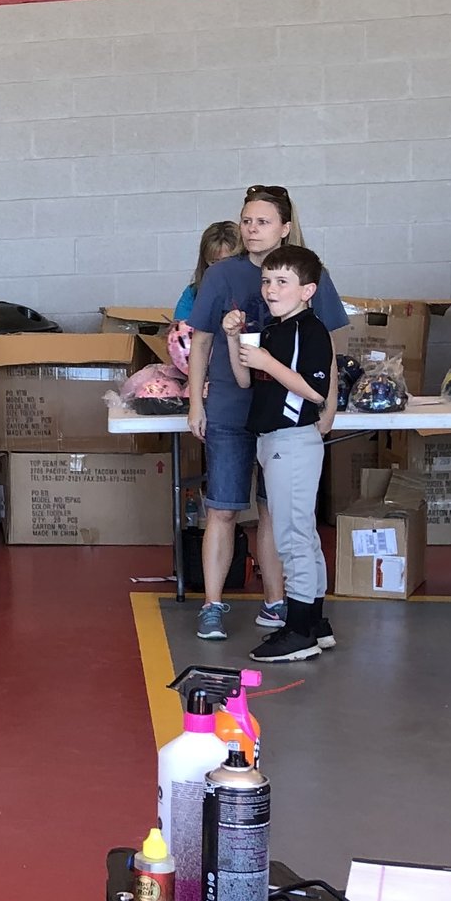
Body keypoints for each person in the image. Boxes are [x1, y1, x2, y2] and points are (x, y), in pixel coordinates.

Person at [184, 184, 349, 643]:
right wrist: (197, 401)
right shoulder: (222, 276)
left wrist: (328, 404)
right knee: (222, 508)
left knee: (277, 513)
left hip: (285, 416)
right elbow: (201, 341)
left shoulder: (310, 272)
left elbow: (329, 347)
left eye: (262, 221)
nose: (252, 230)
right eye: (246, 220)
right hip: (232, 410)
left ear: (285, 228)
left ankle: (278, 603)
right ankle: (213, 605)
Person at [221, 245, 337, 664]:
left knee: (292, 538)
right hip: (272, 441)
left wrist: (268, 361)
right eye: (267, 281)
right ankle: (315, 623)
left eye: (282, 282)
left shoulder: (311, 330)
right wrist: (236, 340)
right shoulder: (272, 330)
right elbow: (244, 381)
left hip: (294, 440)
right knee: (300, 534)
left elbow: (315, 391)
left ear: (307, 290)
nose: (271, 289)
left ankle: (299, 629)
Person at [174, 220, 243, 324]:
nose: (219, 269)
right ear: (205, 261)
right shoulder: (193, 293)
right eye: (214, 262)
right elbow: (180, 334)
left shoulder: (257, 289)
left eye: (226, 262)